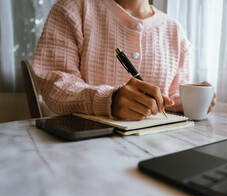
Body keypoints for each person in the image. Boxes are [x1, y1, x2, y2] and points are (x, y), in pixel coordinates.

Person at [32, 0, 215, 120]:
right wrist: (108, 100)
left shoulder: (175, 31)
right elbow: (55, 88)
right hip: (84, 151)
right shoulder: (73, 9)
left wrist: (190, 101)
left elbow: (171, 96)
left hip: (157, 148)